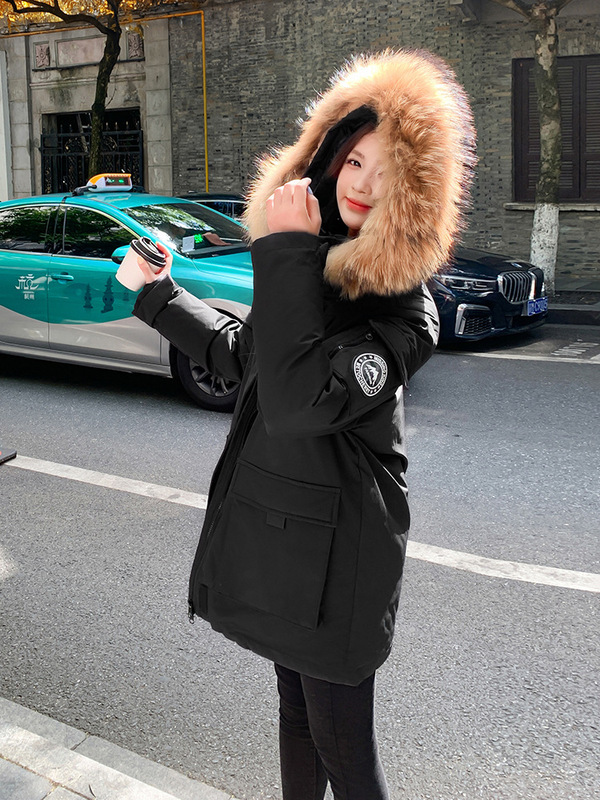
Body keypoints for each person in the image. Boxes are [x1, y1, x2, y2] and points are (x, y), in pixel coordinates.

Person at [133, 50, 475, 800]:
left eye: (389, 173)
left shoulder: (405, 311)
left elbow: (296, 404)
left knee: (345, 751)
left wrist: (283, 251)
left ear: (415, 196)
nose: (364, 185)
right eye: (355, 161)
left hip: (341, 563)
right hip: (282, 541)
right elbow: (244, 357)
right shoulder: (308, 272)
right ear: (327, 157)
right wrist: (161, 295)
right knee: (294, 714)